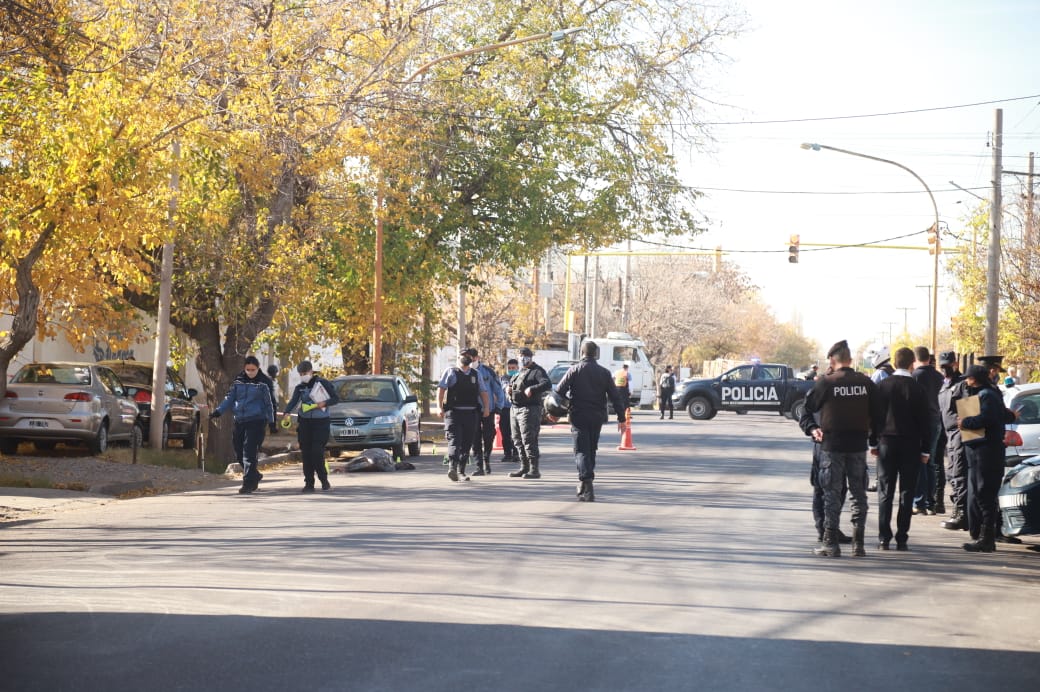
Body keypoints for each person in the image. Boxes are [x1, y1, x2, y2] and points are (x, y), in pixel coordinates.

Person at [803, 339, 883, 557]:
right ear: (850, 359)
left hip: (832, 446)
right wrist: (874, 440)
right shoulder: (866, 384)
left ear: (832, 359)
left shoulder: (826, 383)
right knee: (859, 494)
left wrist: (812, 429)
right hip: (858, 446)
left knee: (832, 494)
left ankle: (831, 543)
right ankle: (859, 544)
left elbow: (805, 410)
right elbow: (879, 416)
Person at [870, 347, 934, 551]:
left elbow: (874, 417)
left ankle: (883, 537)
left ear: (895, 362)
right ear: (911, 363)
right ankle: (902, 537)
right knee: (907, 492)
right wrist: (925, 450)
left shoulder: (882, 386)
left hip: (887, 443)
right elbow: (926, 422)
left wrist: (872, 442)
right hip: (911, 445)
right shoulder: (917, 389)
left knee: (885, 491)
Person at [556, 340, 627, 501]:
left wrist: (558, 409)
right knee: (591, 449)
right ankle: (585, 484)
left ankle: (587, 484)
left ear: (581, 353)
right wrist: (621, 418)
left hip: (578, 415)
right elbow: (615, 397)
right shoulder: (604, 372)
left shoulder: (574, 370)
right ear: (596, 354)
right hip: (597, 417)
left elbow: (559, 391)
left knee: (581, 451)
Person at [958, 359, 1016, 552]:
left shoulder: (987, 395)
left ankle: (987, 537)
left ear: (974, 379)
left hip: (987, 452)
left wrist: (966, 422)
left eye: (968, 378)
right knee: (983, 493)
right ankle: (985, 536)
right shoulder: (985, 394)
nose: (966, 382)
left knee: (985, 493)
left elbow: (988, 419)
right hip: (981, 450)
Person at [798, 368, 852, 546]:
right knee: (821, 490)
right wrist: (813, 429)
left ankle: (831, 527)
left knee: (840, 489)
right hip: (822, 448)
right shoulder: (815, 393)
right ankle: (824, 530)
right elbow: (804, 416)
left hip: (842, 447)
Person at [211, 356, 275, 494]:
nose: (250, 372)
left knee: (249, 452)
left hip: (257, 421)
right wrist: (218, 411)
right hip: (240, 420)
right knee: (239, 451)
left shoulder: (264, 383)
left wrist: (272, 422)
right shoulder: (238, 381)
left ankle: (247, 483)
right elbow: (229, 398)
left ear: (258, 369)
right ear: (244, 369)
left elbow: (270, 403)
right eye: (248, 369)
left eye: (253, 370)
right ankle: (255, 475)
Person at [283, 360, 339, 492]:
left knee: (317, 452)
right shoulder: (300, 388)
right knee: (306, 453)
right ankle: (309, 483)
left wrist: (323, 404)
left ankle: (324, 480)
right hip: (305, 423)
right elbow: (293, 402)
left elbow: (335, 398)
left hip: (321, 423)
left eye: (305, 373)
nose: (303, 375)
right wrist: (286, 412)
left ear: (311, 371)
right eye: (301, 373)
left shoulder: (323, 383)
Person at [437, 353, 490, 482]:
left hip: (471, 413)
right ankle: (452, 468)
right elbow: (441, 389)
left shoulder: (476, 373)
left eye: (468, 355)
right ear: (458, 358)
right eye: (463, 355)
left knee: (467, 443)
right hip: (454, 413)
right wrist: (439, 407)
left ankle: (461, 471)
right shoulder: (450, 372)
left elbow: (483, 391)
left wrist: (486, 407)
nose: (466, 357)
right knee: (455, 441)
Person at [507, 347, 552, 480]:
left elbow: (547, 383)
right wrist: (509, 390)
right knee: (517, 439)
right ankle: (524, 467)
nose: (523, 358)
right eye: (521, 355)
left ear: (530, 357)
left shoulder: (537, 371)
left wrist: (532, 389)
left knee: (529, 439)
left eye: (525, 355)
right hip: (515, 408)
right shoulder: (521, 371)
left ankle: (534, 469)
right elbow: (515, 385)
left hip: (529, 409)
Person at [911, 346, 945, 515]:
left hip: (919, 423)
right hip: (936, 421)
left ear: (916, 359)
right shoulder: (939, 376)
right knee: (931, 461)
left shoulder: (915, 377)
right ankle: (932, 501)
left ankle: (919, 501)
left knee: (920, 461)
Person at [938, 351, 969, 531]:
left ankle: (961, 513)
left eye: (947, 366)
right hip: (948, 435)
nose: (944, 369)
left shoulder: (962, 385)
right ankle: (958, 510)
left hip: (959, 434)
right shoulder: (945, 385)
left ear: (955, 364)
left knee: (958, 474)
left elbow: (968, 413)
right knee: (952, 474)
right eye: (942, 366)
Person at [463, 348, 505, 476]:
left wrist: (499, 406)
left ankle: (486, 457)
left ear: (476, 358)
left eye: (470, 357)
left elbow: (498, 389)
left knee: (489, 435)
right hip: (471, 410)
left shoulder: (487, 371)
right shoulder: (462, 372)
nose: (468, 360)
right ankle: (479, 465)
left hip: (488, 409)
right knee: (475, 438)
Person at [498, 358, 519, 464]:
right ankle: (507, 454)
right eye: (509, 368)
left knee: (515, 433)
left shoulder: (521, 377)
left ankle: (517, 453)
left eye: (513, 368)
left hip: (516, 408)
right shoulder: (504, 378)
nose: (511, 370)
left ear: (517, 368)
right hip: (505, 409)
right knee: (505, 433)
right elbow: (504, 386)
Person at [266, 364, 281, 434]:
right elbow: (270, 392)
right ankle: (272, 428)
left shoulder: (269, 380)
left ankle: (272, 428)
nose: (276, 375)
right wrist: (274, 402)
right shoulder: (268, 380)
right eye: (276, 373)